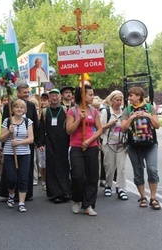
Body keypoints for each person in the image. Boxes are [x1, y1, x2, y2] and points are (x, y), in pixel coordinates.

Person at [120, 86, 161, 210]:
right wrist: (132, 117)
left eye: (131, 95)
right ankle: (143, 196)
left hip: (150, 144)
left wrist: (149, 116)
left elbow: (157, 125)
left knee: (152, 170)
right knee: (138, 171)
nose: (129, 98)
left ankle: (153, 197)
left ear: (138, 96)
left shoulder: (149, 108)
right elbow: (123, 128)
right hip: (133, 145)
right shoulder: (127, 110)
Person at [66, 85, 103, 216]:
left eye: (93, 94)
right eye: (90, 94)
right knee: (78, 176)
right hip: (76, 147)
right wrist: (79, 120)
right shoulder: (72, 111)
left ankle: (88, 205)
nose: (92, 97)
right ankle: (76, 199)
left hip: (91, 146)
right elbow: (69, 130)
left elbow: (100, 129)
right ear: (82, 95)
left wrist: (89, 140)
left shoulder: (94, 111)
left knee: (92, 176)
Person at [0, 83, 39, 201]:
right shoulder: (8, 106)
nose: (27, 95)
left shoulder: (31, 105)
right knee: (10, 172)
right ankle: (10, 193)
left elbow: (35, 124)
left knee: (25, 172)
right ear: (18, 93)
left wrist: (37, 142)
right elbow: (5, 124)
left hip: (26, 144)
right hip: (11, 144)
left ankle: (25, 194)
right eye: (24, 92)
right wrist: (5, 141)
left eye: (28, 92)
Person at [37, 89, 71, 203]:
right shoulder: (45, 112)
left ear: (60, 98)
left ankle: (65, 191)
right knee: (51, 167)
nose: (54, 98)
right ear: (49, 98)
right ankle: (54, 194)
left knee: (63, 166)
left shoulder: (65, 110)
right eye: (52, 96)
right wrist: (40, 143)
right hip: (50, 142)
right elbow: (41, 128)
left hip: (64, 142)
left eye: (56, 96)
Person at [0, 99, 34, 212]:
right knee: (11, 178)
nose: (19, 109)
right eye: (17, 107)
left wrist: (18, 143)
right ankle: (11, 195)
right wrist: (9, 132)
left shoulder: (28, 121)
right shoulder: (7, 121)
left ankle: (21, 202)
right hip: (9, 153)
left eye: (21, 107)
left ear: (25, 110)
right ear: (13, 109)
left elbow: (31, 139)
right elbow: (1, 138)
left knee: (23, 178)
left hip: (24, 153)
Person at [100, 90, 128, 200]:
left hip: (121, 144)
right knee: (109, 166)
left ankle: (120, 187)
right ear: (111, 101)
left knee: (121, 167)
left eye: (120, 100)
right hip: (108, 144)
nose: (119, 102)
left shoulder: (124, 112)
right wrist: (110, 124)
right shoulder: (105, 112)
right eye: (117, 100)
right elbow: (100, 128)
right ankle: (108, 185)